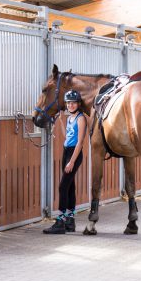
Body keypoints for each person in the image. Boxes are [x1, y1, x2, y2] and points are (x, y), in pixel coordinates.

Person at [44, 90, 89, 234]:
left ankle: (60, 221)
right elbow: (68, 135)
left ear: (78, 104)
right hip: (66, 151)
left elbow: (80, 142)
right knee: (70, 186)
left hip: (74, 154)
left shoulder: (81, 118)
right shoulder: (70, 118)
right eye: (68, 103)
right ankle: (70, 220)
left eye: (73, 102)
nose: (70, 105)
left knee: (63, 186)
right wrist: (60, 122)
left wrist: (72, 161)